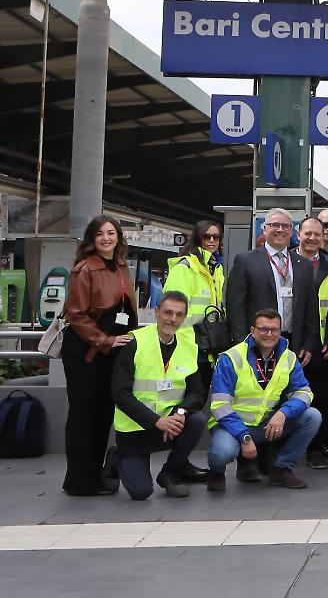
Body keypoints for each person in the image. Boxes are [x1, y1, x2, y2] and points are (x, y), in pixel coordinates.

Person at [61, 214, 139, 496]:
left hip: (112, 351)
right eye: (100, 234)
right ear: (92, 240)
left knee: (104, 412)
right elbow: (76, 315)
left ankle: (94, 475)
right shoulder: (85, 269)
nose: (106, 238)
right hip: (86, 351)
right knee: (84, 414)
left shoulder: (120, 266)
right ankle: (79, 481)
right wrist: (104, 339)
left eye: (111, 233)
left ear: (118, 236)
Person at [206, 309, 320, 491]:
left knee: (312, 416)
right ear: (252, 330)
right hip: (231, 426)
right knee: (222, 453)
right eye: (263, 329)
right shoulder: (231, 358)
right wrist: (243, 437)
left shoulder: (289, 357)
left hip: (264, 425)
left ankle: (281, 470)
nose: (269, 334)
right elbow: (220, 405)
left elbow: (304, 393)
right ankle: (217, 473)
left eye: (274, 330)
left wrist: (284, 412)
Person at [111, 291, 207, 500]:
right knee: (141, 493)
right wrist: (156, 421)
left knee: (197, 419)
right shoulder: (135, 342)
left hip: (170, 423)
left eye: (179, 315)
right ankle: (116, 457)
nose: (172, 319)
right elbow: (120, 394)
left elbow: (197, 392)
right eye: (168, 312)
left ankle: (171, 473)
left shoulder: (189, 348)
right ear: (156, 313)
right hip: (135, 429)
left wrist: (180, 412)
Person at [161, 219, 224, 482]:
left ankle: (179, 462)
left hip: (208, 349)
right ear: (196, 239)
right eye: (206, 236)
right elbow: (171, 311)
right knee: (186, 408)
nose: (211, 241)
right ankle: (173, 465)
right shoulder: (185, 268)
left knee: (194, 407)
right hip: (188, 350)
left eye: (216, 237)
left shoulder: (216, 269)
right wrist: (181, 347)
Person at [225, 208, 320, 365]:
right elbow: (235, 306)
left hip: (293, 344)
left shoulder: (304, 265)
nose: (280, 230)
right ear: (264, 228)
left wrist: (309, 344)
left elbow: (310, 308)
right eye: (274, 225)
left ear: (291, 231)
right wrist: (242, 343)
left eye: (285, 226)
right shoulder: (246, 261)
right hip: (257, 342)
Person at [295, 216, 328, 469]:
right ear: (298, 234)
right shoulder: (288, 262)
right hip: (291, 342)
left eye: (317, 233)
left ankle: (314, 449)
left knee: (320, 398)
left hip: (321, 343)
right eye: (308, 234)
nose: (313, 238)